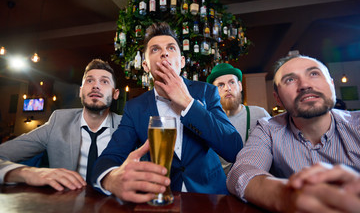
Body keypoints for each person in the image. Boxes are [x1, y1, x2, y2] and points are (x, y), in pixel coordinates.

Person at [92, 22, 242, 203]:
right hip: (161, 200)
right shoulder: (135, 108)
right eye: (155, 49)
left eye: (171, 48)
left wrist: (188, 103)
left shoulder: (207, 92)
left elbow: (233, 148)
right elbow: (108, 158)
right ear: (146, 65)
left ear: (182, 61)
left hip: (212, 198)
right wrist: (110, 179)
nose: (164, 53)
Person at [226, 54, 360, 212]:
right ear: (278, 99)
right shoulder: (267, 129)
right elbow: (242, 171)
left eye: (314, 74)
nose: (304, 85)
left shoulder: (356, 124)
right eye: (290, 79)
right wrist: (285, 196)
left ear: (331, 84)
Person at [0, 59, 122, 191]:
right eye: (89, 80)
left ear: (115, 94)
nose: (95, 86)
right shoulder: (58, 122)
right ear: (80, 91)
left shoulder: (127, 125)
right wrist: (27, 173)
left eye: (104, 81)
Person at [207, 63, 270, 174]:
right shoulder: (208, 120)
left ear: (240, 86)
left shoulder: (259, 114)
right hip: (218, 187)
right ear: (213, 91)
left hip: (252, 183)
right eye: (221, 85)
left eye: (232, 82)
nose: (228, 88)